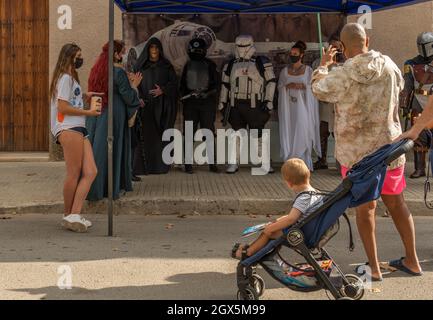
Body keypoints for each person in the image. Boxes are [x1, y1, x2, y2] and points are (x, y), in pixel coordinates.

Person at [312, 23, 422, 280]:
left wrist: (323, 65)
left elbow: (319, 89)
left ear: (342, 47)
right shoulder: (390, 65)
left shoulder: (342, 73)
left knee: (365, 208)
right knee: (397, 203)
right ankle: (413, 261)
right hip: (389, 150)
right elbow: (400, 91)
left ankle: (373, 267)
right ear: (367, 40)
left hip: (355, 155)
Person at [49, 43, 101, 233]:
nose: (80, 58)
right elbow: (62, 108)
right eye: (78, 55)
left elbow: (69, 102)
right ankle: (68, 214)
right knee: (74, 172)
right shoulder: (64, 79)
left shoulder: (71, 79)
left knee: (91, 171)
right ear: (69, 57)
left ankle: (73, 214)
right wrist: (87, 111)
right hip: (69, 128)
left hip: (78, 128)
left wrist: (84, 97)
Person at [86, 40, 143, 201]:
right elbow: (130, 98)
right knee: (112, 149)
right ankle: (110, 188)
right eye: (122, 52)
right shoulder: (118, 73)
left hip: (97, 115)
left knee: (98, 150)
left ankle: (95, 187)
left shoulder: (95, 70)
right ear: (115, 54)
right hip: (113, 116)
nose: (124, 55)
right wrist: (134, 85)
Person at [233, 158, 324, 259]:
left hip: (299, 233)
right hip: (306, 228)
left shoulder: (304, 197)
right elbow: (297, 215)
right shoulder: (315, 192)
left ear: (289, 183)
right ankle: (253, 247)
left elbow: (291, 219)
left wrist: (271, 228)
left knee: (267, 233)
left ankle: (249, 252)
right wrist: (278, 221)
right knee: (272, 228)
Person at [219, 35, 276, 174]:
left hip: (255, 104)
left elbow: (271, 82)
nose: (242, 49)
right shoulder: (230, 64)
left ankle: (265, 162)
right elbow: (225, 85)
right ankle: (233, 162)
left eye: (244, 45)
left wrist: (268, 101)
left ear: (251, 45)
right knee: (236, 135)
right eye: (239, 45)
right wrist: (222, 102)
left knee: (258, 135)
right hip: (236, 104)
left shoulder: (261, 62)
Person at [133, 38, 178, 175]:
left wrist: (163, 90)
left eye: (156, 47)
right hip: (145, 107)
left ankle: (160, 167)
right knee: (145, 137)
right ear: (148, 49)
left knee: (161, 137)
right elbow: (134, 85)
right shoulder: (140, 66)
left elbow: (175, 85)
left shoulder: (166, 66)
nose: (154, 50)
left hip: (163, 108)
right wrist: (138, 98)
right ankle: (144, 168)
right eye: (151, 47)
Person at [278, 41, 321, 171]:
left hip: (304, 108)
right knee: (289, 131)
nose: (293, 56)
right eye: (291, 54)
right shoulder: (285, 71)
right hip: (289, 108)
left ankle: (303, 163)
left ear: (301, 55)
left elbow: (314, 87)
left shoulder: (308, 70)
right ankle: (290, 162)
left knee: (303, 131)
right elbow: (280, 86)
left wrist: (303, 87)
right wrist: (286, 87)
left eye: (295, 54)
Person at [180, 38, 219, 174]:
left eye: (198, 50)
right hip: (190, 104)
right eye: (194, 50)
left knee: (208, 134)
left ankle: (212, 164)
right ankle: (188, 164)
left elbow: (216, 85)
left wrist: (207, 94)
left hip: (206, 104)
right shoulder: (188, 65)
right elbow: (182, 86)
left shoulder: (210, 65)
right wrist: (185, 97)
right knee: (189, 134)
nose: (196, 52)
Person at [399, 32, 433, 179]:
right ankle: (420, 168)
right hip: (418, 101)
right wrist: (405, 105)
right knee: (418, 136)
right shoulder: (411, 63)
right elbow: (407, 86)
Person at [312, 38, 345, 170]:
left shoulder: (346, 64)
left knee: (339, 135)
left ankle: (341, 162)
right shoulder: (319, 63)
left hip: (339, 105)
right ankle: (322, 159)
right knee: (323, 132)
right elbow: (316, 80)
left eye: (338, 47)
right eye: (333, 47)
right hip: (325, 104)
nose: (335, 50)